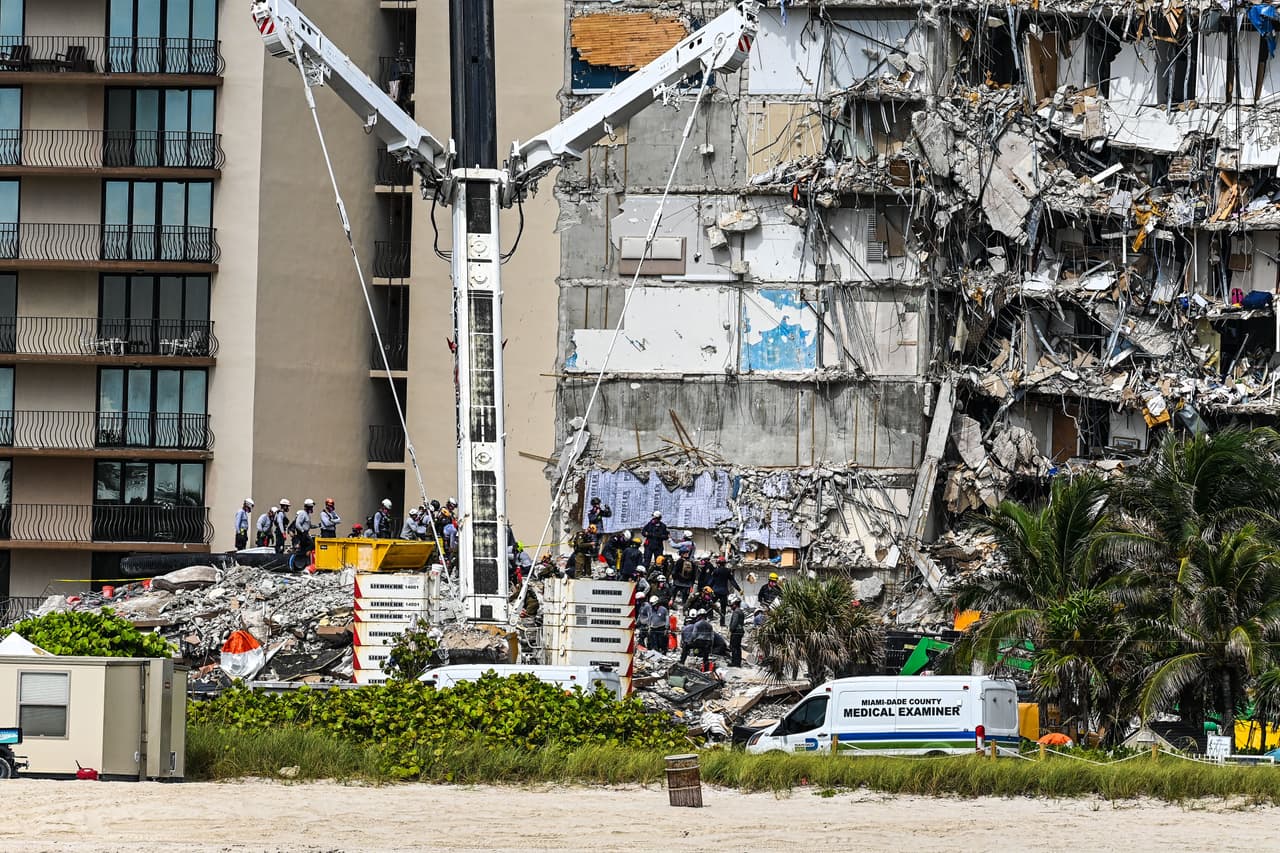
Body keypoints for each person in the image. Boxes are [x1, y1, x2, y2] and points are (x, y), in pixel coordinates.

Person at [709, 556, 742, 626]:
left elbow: (712, 581)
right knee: (723, 609)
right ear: (724, 563)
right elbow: (733, 581)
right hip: (724, 592)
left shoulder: (715, 571)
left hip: (715, 591)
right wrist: (739, 589)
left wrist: (707, 588)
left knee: (710, 604)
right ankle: (722, 623)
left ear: (718, 563)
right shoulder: (728, 571)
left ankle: (709, 617)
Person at [727, 595, 745, 667]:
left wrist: (731, 629)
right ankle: (738, 662)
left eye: (732, 605)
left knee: (734, 647)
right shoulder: (740, 611)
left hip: (736, 632)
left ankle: (735, 662)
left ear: (735, 604)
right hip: (740, 631)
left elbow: (734, 623)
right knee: (737, 647)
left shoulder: (736, 612)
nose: (731, 607)